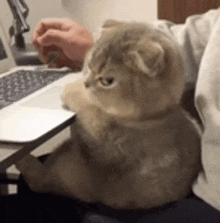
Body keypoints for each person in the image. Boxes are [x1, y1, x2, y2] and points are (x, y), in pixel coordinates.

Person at [2, 7, 220, 223]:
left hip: (196, 201)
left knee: (28, 199)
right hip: (190, 178)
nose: (87, 82)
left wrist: (83, 100)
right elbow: (193, 39)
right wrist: (99, 45)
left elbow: (97, 137)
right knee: (31, 182)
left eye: (105, 80)